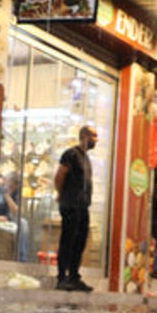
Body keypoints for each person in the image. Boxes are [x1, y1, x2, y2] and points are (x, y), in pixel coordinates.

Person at [54, 124, 98, 291]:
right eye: (94, 136)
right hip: (71, 205)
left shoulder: (85, 158)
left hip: (83, 206)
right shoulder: (71, 154)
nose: (96, 140)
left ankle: (74, 276)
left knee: (80, 241)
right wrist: (61, 195)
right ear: (84, 136)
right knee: (68, 240)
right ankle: (62, 277)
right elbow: (59, 176)